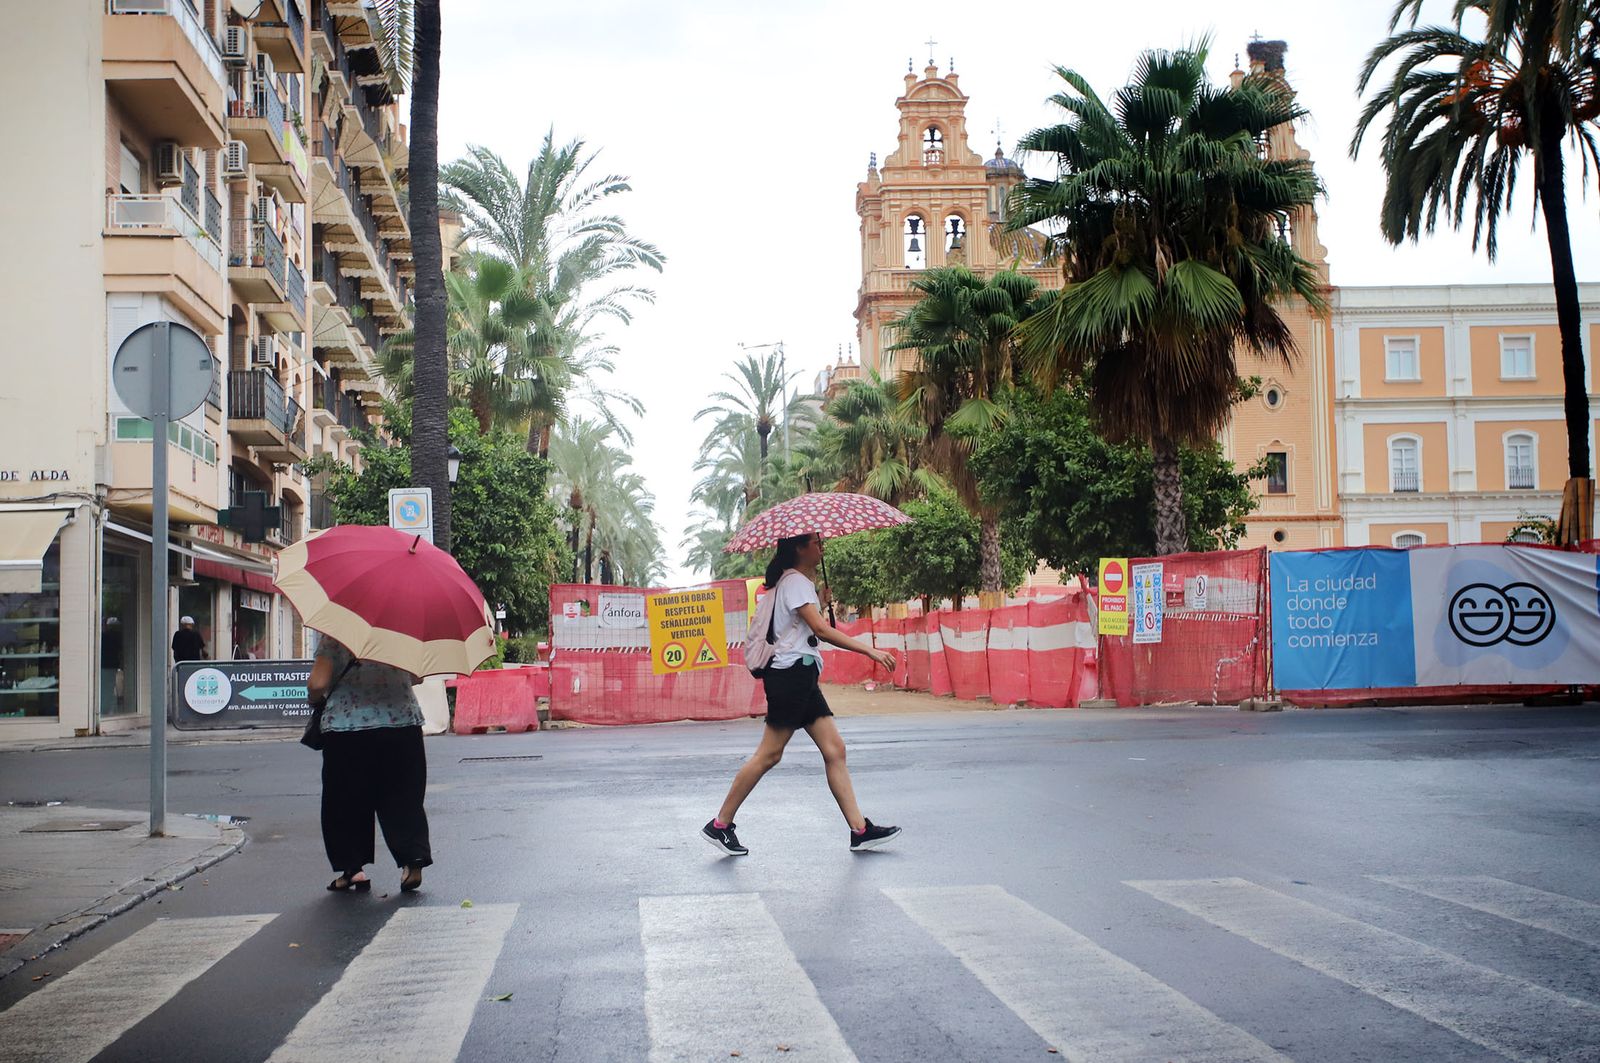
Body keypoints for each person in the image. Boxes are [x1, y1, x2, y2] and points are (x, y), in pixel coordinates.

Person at [703, 532, 902, 856]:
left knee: (835, 749)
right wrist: (870, 651)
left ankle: (860, 830)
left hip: (801, 674)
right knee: (769, 754)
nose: (822, 547)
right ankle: (720, 824)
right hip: (790, 675)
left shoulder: (793, 583)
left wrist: (819, 600)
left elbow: (798, 626)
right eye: (816, 543)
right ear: (799, 548)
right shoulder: (795, 581)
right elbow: (821, 630)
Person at [306, 633, 431, 893]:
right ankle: (413, 860)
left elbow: (318, 683)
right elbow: (417, 677)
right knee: (404, 796)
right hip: (401, 723)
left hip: (347, 727)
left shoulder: (336, 636)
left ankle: (352, 869)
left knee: (345, 801)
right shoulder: (402, 634)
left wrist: (315, 698)